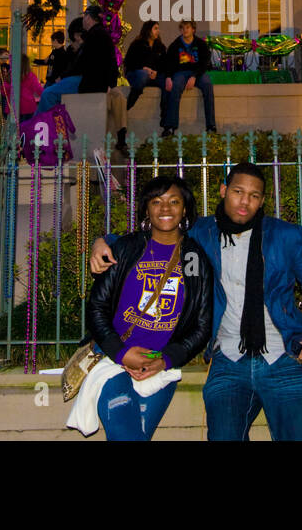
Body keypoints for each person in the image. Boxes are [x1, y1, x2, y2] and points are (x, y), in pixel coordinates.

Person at [90, 161, 302, 441]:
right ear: (223, 190)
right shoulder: (201, 234)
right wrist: (102, 241)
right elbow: (153, 236)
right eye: (238, 192)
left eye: (254, 196)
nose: (245, 202)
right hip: (228, 359)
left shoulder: (286, 236)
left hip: (284, 357)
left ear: (262, 200)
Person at [67, 176, 213, 441]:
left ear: (184, 208)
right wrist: (121, 353)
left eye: (174, 201)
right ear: (146, 208)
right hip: (114, 360)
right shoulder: (127, 249)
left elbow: (201, 326)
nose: (165, 209)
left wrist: (165, 359)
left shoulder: (193, 257)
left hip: (160, 366)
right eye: (156, 201)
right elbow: (97, 307)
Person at [36, 7, 119, 114]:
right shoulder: (102, 35)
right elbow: (112, 62)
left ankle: (46, 126)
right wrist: (111, 84)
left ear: (88, 18)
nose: (83, 19)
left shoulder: (93, 36)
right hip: (96, 82)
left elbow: (81, 63)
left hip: (88, 82)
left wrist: (63, 76)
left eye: (84, 16)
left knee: (48, 94)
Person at [160, 20, 215, 137]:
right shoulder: (175, 45)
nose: (185, 30)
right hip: (181, 73)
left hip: (197, 73)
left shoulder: (200, 44)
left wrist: (194, 76)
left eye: (188, 27)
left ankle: (211, 126)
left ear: (193, 29)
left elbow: (205, 62)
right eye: (183, 28)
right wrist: (168, 77)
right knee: (175, 87)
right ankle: (170, 127)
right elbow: (168, 63)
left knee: (208, 85)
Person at [124, 20, 166, 108]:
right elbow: (129, 62)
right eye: (155, 29)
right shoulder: (137, 44)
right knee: (143, 74)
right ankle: (127, 105)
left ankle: (165, 114)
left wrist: (156, 72)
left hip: (153, 76)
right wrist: (143, 68)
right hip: (137, 74)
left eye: (158, 29)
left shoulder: (160, 46)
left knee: (168, 80)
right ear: (148, 30)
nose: (158, 31)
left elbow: (164, 64)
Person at [1, 53, 43, 123]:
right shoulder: (31, 76)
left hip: (13, 108)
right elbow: (39, 90)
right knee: (26, 131)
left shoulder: (11, 75)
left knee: (14, 131)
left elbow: (3, 91)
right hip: (28, 108)